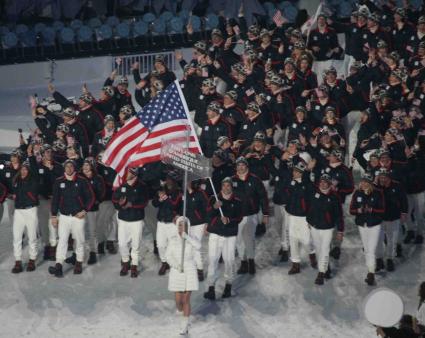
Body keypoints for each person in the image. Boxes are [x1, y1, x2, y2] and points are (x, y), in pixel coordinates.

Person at [48, 159, 95, 277]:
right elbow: (55, 200)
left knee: (79, 240)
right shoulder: (59, 182)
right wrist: (54, 215)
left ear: (74, 168)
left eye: (71, 166)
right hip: (63, 216)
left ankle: (79, 262)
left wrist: (84, 210)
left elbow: (91, 197)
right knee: (62, 240)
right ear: (64, 168)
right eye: (67, 166)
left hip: (78, 217)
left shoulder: (82, 181)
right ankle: (58, 264)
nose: (69, 168)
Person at [204, 177, 243, 300]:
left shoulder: (237, 200)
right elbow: (208, 216)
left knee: (229, 260)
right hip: (215, 234)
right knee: (213, 260)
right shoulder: (213, 199)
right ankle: (211, 288)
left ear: (232, 187)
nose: (226, 188)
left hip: (230, 235)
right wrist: (215, 207)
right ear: (221, 187)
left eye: (228, 186)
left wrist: (229, 220)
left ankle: (228, 286)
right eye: (224, 185)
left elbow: (240, 217)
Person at [232, 157, 268, 275]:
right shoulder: (231, 181)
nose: (240, 167)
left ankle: (251, 262)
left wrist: (265, 213)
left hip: (251, 214)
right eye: (238, 165)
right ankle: (243, 262)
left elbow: (263, 197)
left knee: (249, 239)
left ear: (246, 166)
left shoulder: (255, 179)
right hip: (236, 216)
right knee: (239, 240)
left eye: (243, 165)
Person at [166, 216, 200, 336]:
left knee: (186, 299)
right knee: (178, 301)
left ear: (188, 226)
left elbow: (198, 246)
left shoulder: (192, 238)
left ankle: (184, 326)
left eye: (184, 225)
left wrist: (187, 238)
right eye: (180, 225)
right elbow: (168, 256)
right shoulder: (173, 239)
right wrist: (176, 265)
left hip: (189, 269)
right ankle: (180, 310)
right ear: (177, 226)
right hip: (177, 271)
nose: (182, 227)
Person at [307, 174, 344, 285]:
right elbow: (310, 208)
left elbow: (339, 215)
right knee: (319, 250)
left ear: (329, 184)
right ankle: (325, 268)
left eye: (325, 182)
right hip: (315, 227)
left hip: (328, 228)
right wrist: (309, 221)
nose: (322, 184)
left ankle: (321, 273)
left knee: (325, 249)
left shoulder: (334, 197)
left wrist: (340, 230)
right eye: (321, 182)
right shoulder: (315, 194)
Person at [112, 166, 149, 278]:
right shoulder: (122, 185)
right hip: (123, 219)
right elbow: (114, 199)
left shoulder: (142, 186)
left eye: (128, 172)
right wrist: (120, 204)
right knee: (122, 243)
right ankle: (125, 262)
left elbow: (145, 202)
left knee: (135, 244)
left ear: (134, 173)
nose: (126, 173)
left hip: (136, 220)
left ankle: (134, 265)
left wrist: (131, 204)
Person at [350, 172, 385, 286]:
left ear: (370, 183)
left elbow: (382, 210)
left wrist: (372, 210)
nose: (364, 184)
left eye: (366, 182)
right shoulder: (357, 193)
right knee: (367, 249)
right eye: (363, 181)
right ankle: (372, 267)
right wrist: (358, 211)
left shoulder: (378, 193)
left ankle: (371, 273)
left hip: (374, 225)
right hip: (362, 225)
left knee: (371, 248)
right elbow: (351, 210)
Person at [10, 160, 39, 273]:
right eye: (22, 169)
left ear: (29, 171)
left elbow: (33, 191)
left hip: (30, 210)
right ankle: (18, 261)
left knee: (32, 236)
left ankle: (32, 259)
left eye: (26, 169)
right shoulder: (16, 180)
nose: (23, 171)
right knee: (17, 237)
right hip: (18, 211)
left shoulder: (33, 180)